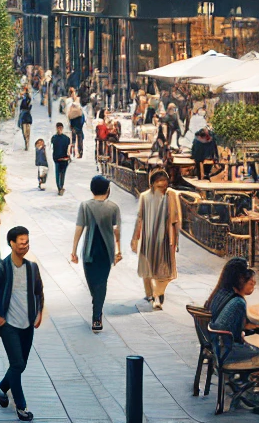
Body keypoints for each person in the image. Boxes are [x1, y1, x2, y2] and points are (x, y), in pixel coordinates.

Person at [0, 226, 44, 421]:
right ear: (12, 243)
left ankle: (2, 387)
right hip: (9, 326)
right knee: (17, 364)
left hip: (27, 325)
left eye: (27, 242)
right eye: (22, 242)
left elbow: (39, 291)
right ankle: (21, 407)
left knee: (21, 365)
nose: (25, 246)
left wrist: (39, 313)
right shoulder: (1, 267)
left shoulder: (32, 268)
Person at [70, 175, 123, 332]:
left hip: (89, 251)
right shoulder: (113, 207)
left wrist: (73, 251)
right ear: (108, 190)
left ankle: (96, 315)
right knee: (101, 283)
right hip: (106, 252)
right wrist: (118, 250)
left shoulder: (85, 206)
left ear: (92, 189)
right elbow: (116, 230)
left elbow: (79, 228)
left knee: (93, 283)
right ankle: (97, 310)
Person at [131, 169, 181, 309]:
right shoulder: (145, 197)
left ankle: (157, 293)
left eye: (164, 187)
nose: (162, 189)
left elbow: (176, 218)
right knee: (148, 268)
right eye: (159, 186)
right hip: (149, 237)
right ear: (152, 184)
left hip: (165, 237)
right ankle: (152, 294)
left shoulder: (171, 196)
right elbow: (140, 217)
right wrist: (135, 238)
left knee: (166, 272)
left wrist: (176, 238)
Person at [50, 123, 73, 196]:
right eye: (58, 128)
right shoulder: (63, 138)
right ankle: (60, 187)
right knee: (60, 173)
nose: (59, 129)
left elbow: (69, 149)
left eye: (60, 128)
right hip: (59, 158)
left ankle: (60, 187)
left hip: (62, 158)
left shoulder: (56, 138)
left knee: (61, 173)